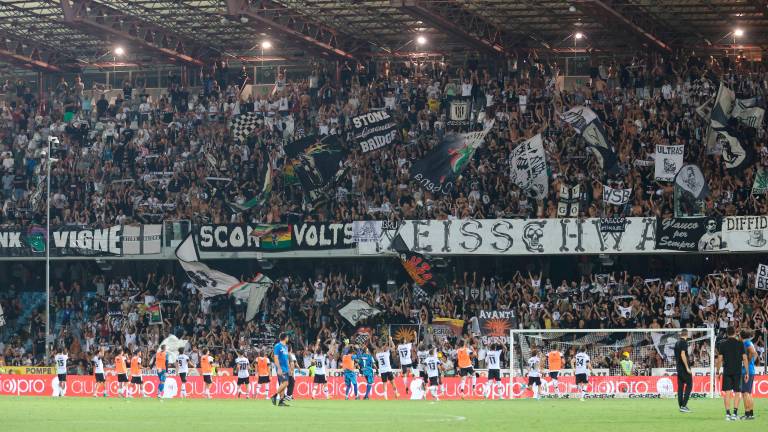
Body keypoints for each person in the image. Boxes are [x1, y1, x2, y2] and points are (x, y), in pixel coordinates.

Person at [716, 326, 748, 421]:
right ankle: (735, 413)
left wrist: (718, 371)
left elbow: (719, 359)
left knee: (727, 393)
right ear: (735, 332)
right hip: (737, 371)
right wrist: (747, 372)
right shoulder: (740, 343)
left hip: (727, 371)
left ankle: (727, 414)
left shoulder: (722, 344)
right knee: (737, 392)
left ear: (727, 333)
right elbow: (745, 358)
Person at [736, 328, 757, 420]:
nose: (738, 337)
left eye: (739, 335)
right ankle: (751, 414)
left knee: (745, 393)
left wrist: (747, 362)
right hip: (751, 370)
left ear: (741, 336)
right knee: (748, 393)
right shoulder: (749, 342)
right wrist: (751, 361)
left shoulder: (746, 343)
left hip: (746, 372)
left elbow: (753, 352)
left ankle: (747, 414)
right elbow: (755, 354)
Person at [374, 335, 399, 400]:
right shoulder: (386, 353)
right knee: (393, 382)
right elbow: (392, 347)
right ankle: (396, 393)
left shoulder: (377, 355)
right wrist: (390, 340)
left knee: (384, 384)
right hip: (388, 370)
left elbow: (377, 352)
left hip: (382, 371)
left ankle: (385, 397)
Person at [674, 329, 693, 413]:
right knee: (689, 384)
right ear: (687, 334)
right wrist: (687, 367)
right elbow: (682, 354)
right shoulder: (684, 342)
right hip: (683, 368)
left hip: (678, 367)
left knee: (680, 387)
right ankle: (684, 405)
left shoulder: (677, 343)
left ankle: (681, 406)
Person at [271, 332, 291, 406]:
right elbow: (275, 358)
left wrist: (288, 367)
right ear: (285, 338)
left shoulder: (286, 346)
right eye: (287, 337)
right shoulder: (277, 346)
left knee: (283, 384)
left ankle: (281, 402)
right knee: (286, 383)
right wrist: (279, 368)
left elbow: (286, 358)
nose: (288, 338)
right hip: (281, 368)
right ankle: (274, 396)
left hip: (285, 368)